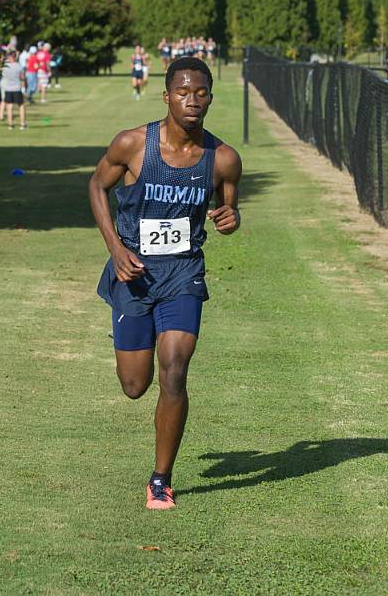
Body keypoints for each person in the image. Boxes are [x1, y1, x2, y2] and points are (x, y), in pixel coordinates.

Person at [88, 56, 243, 510]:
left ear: (210, 97)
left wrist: (230, 219)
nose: (192, 101)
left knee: (175, 368)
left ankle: (161, 479)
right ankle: (131, 338)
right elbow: (97, 187)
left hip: (183, 274)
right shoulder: (133, 144)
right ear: (167, 96)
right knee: (135, 385)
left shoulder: (224, 158)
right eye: (182, 92)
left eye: (200, 93)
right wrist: (117, 249)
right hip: (133, 274)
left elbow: (228, 213)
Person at [0, 49, 27, 130]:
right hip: (17, 88)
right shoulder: (19, 66)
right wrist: (24, 89)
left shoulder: (5, 67)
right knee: (21, 106)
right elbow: (22, 78)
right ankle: (22, 124)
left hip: (8, 88)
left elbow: (0, 71)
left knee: (9, 106)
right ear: (15, 56)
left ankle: (10, 124)